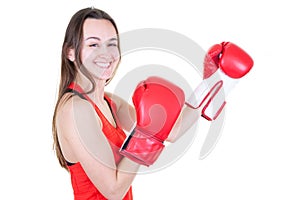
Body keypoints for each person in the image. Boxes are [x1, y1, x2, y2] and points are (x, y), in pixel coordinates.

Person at [52, 7, 195, 200]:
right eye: (93, 45)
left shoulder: (109, 102)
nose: (106, 54)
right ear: (70, 52)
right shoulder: (76, 109)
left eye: (112, 44)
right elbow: (113, 190)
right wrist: (144, 134)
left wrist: (216, 81)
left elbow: (171, 131)